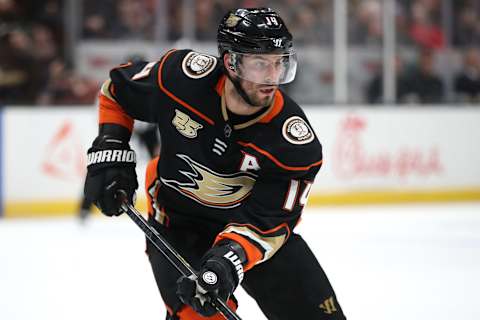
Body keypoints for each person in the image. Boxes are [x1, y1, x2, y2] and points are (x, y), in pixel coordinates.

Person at [84, 7, 346, 320]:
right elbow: (116, 91)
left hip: (247, 227)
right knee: (202, 315)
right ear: (230, 62)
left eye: (279, 63)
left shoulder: (292, 143)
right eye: (260, 63)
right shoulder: (180, 77)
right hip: (178, 225)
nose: (272, 77)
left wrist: (229, 258)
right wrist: (110, 146)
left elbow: (270, 223)